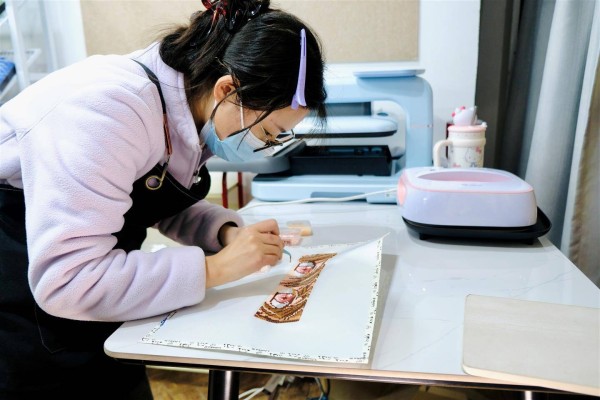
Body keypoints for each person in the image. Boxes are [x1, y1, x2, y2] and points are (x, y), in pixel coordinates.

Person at [0, 0, 326, 397]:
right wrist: (215, 269)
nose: (266, 145)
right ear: (227, 90)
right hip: (21, 280)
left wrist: (224, 233)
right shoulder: (109, 111)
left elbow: (146, 198)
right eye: (268, 132)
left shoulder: (188, 106)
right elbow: (69, 281)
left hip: (92, 285)